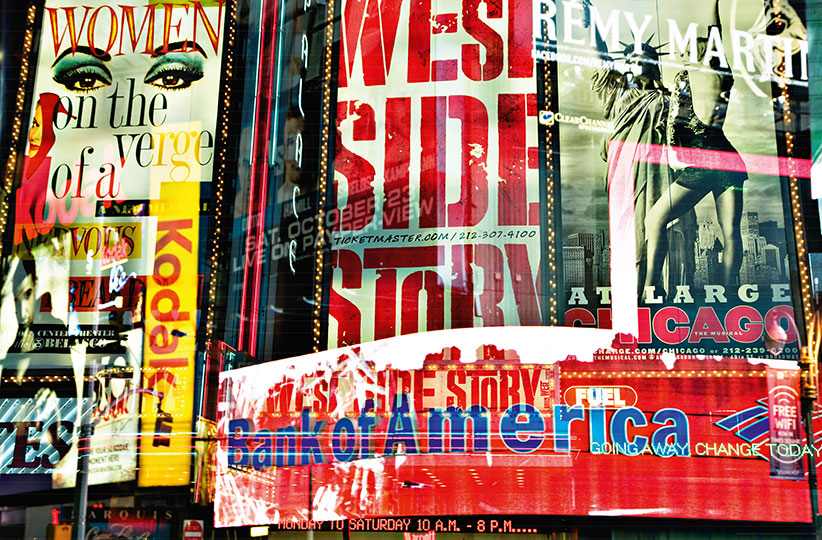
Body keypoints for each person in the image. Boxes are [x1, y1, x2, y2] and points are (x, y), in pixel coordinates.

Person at [643, 0, 746, 294]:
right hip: (729, 161)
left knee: (655, 219)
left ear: (700, 50)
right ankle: (728, 293)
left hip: (702, 164)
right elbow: (717, 33)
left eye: (688, 49)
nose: (683, 53)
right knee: (730, 233)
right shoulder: (717, 77)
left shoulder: (692, 78)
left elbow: (677, 127)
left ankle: (651, 288)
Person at [14, 93, 63, 245]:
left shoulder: (54, 176)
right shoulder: (18, 169)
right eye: (35, 124)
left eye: (47, 127)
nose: (35, 135)